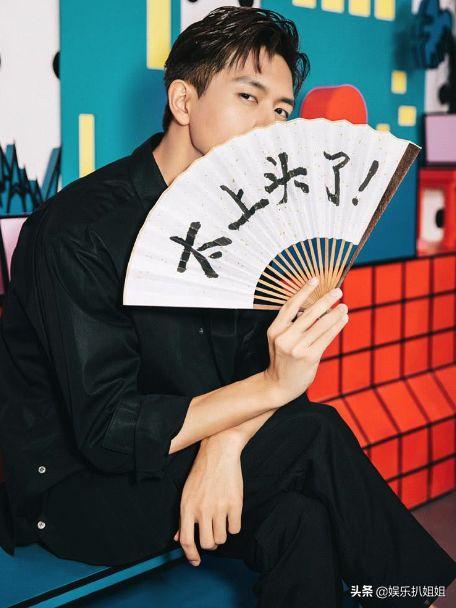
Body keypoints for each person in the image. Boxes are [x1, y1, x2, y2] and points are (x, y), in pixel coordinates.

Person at [0, 7, 454, 607]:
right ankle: (418, 596)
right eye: (248, 96)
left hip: (190, 449)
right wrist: (271, 387)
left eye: (282, 110)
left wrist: (226, 444)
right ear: (184, 101)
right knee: (314, 434)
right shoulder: (78, 230)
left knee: (300, 520)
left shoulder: (250, 223)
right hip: (79, 489)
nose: (269, 125)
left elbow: (252, 379)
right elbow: (109, 431)